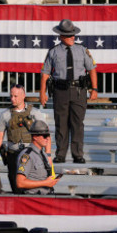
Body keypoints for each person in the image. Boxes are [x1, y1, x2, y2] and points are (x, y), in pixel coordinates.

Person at [40, 19, 98, 164]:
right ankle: (60, 154)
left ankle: (78, 154)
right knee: (61, 123)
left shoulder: (82, 50)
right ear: (60, 36)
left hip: (79, 90)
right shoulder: (53, 52)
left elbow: (92, 69)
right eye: (68, 35)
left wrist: (94, 89)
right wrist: (42, 92)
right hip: (60, 91)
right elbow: (45, 74)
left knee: (77, 124)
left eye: (73, 35)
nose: (72, 37)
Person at [0, 84, 51, 194]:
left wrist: (48, 155)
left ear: (23, 96)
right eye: (11, 96)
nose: (12, 99)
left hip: (31, 155)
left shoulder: (35, 113)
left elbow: (46, 135)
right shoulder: (5, 115)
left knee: (32, 187)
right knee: (16, 187)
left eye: (15, 96)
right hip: (13, 154)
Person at [16, 120, 61, 195]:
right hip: (33, 198)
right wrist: (45, 183)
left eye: (48, 135)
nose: (47, 138)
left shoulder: (43, 154)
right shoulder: (27, 155)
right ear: (35, 137)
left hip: (45, 196)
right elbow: (20, 182)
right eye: (45, 136)